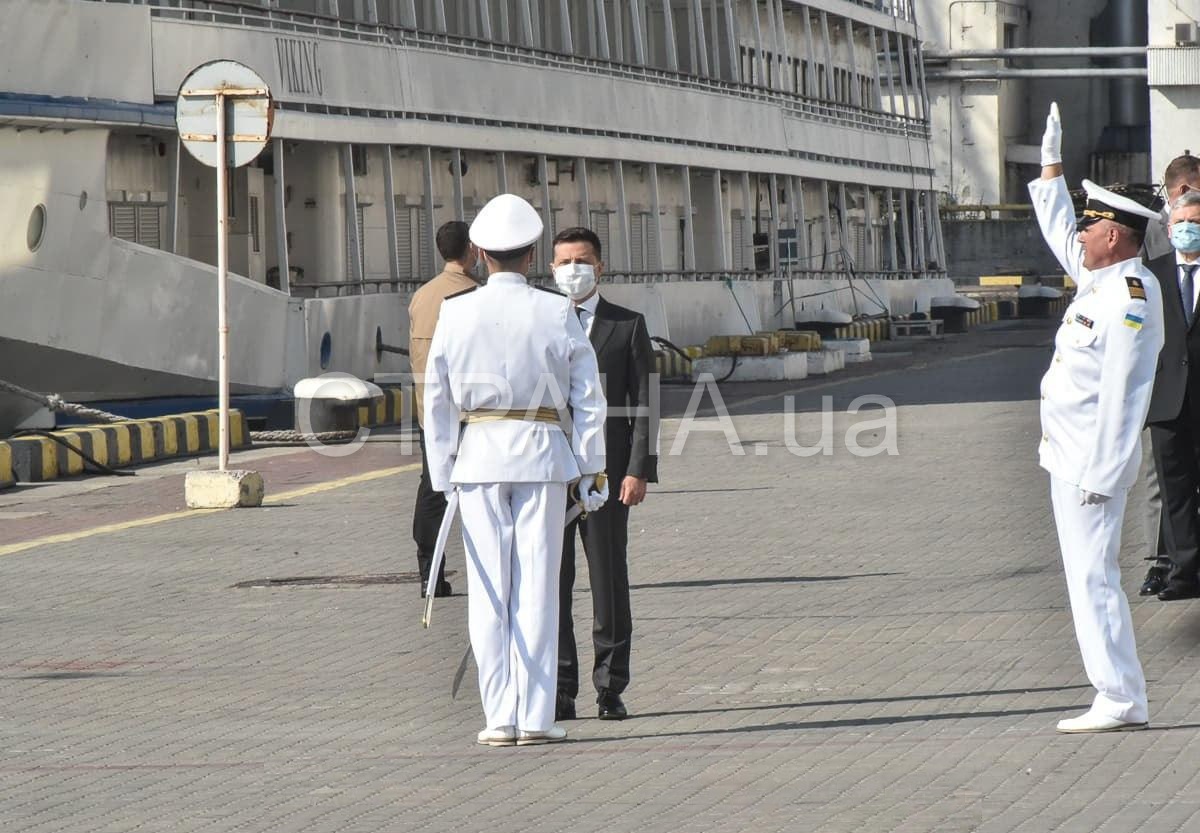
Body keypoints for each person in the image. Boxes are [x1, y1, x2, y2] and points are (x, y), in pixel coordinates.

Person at [423, 194, 608, 747]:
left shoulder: (455, 312)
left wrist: (442, 473)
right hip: (543, 454)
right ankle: (536, 716)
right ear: (533, 255)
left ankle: (497, 718)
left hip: (478, 458)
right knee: (537, 588)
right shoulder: (557, 312)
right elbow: (589, 397)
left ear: (480, 253)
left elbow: (436, 400)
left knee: (488, 590)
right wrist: (592, 468)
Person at [1030, 102, 1163, 733]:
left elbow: (1126, 393)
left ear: (1115, 234)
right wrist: (1050, 164)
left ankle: (1119, 697)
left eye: (1090, 226)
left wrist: (1105, 474)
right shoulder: (1098, 282)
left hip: (1091, 464)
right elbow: (1058, 228)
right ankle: (1115, 692)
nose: (1079, 235)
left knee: (1094, 578)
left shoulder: (1130, 298)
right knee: (1083, 577)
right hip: (1067, 453)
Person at [550, 227, 658, 723]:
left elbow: (645, 404)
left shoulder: (627, 325)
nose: (573, 269)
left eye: (583, 260)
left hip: (607, 476)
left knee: (608, 581)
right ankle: (560, 686)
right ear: (550, 269)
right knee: (552, 581)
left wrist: (637, 471)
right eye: (564, 261)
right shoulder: (540, 322)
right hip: (550, 473)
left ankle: (610, 686)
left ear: (600, 267)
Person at [407, 221, 480, 598]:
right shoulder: (472, 295)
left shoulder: (421, 296)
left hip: (428, 412)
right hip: (471, 415)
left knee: (432, 489)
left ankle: (428, 572)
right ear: (471, 249)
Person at [1139, 154, 1200, 595]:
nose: (1185, 229)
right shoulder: (1152, 275)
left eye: (1195, 222)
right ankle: (1179, 573)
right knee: (1171, 491)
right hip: (1168, 399)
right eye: (1181, 222)